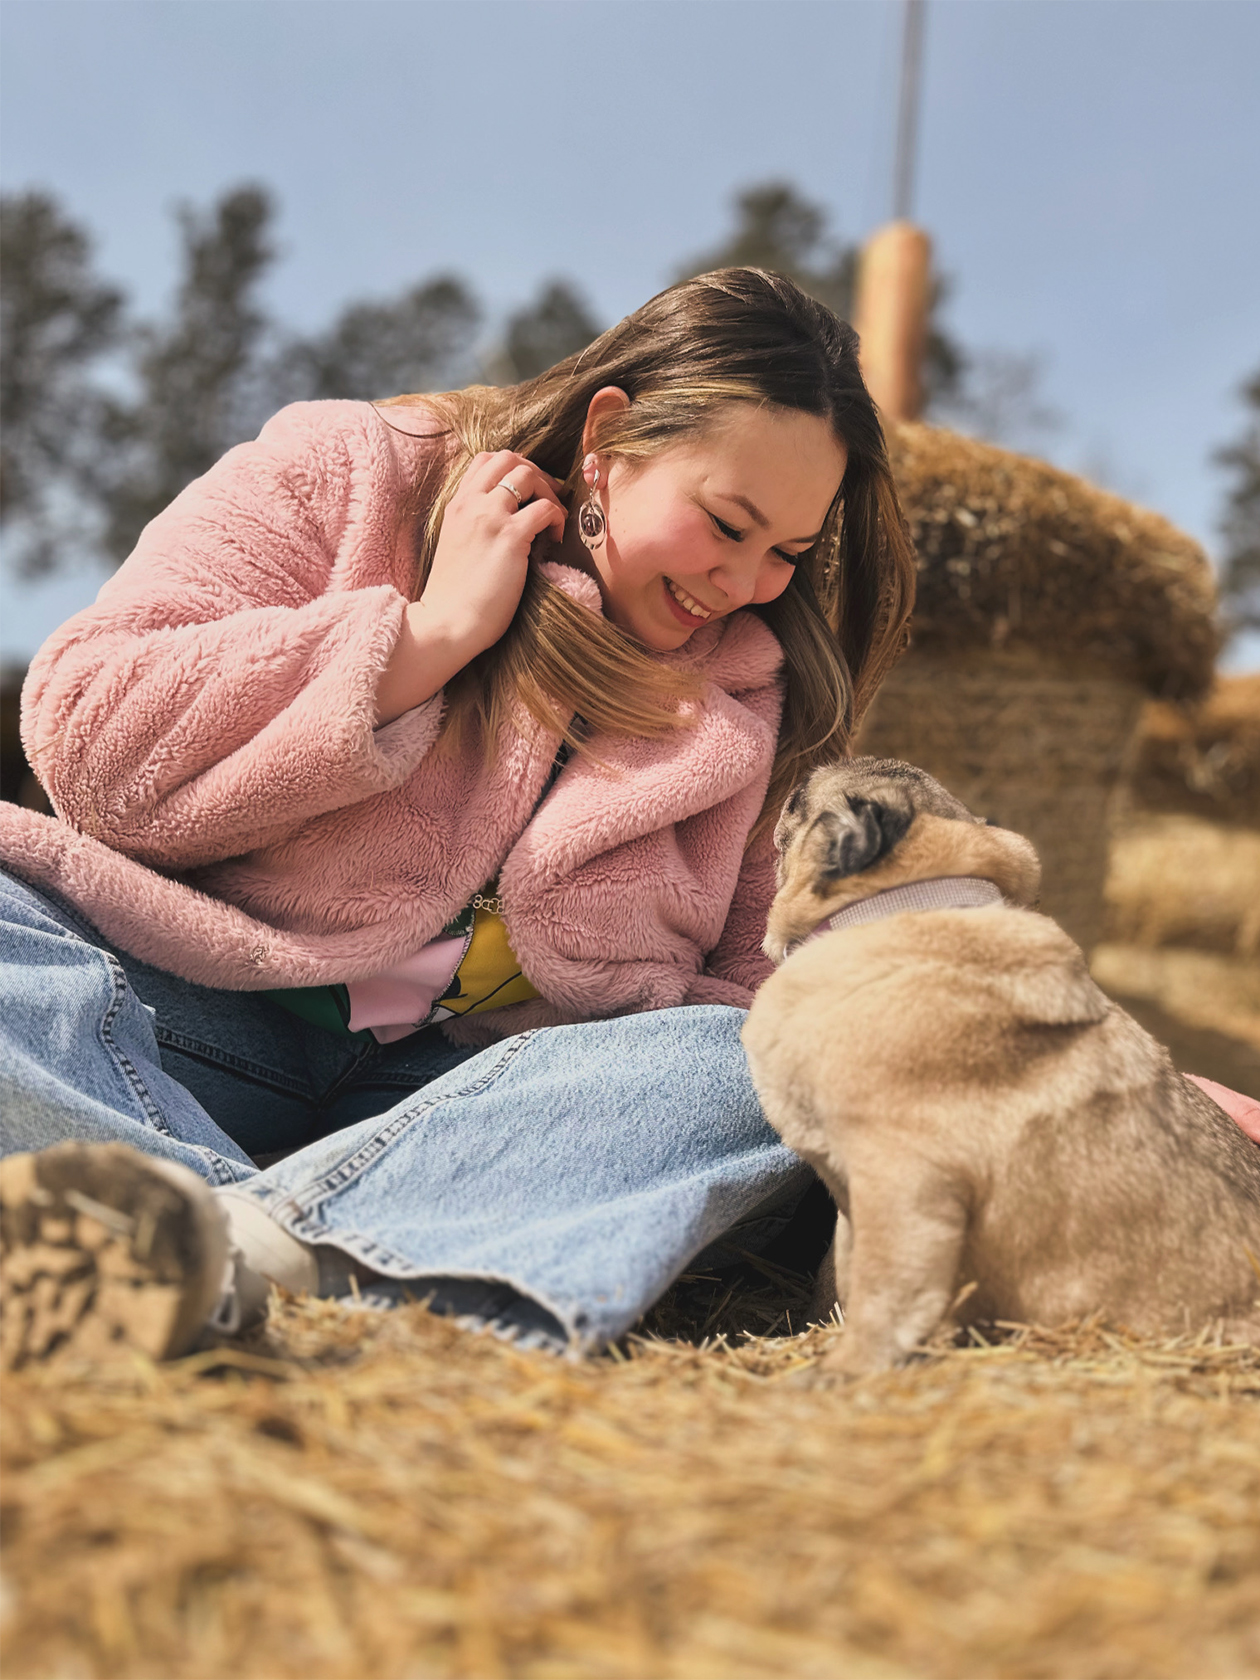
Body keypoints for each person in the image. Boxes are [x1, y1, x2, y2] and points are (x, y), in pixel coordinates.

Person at [0, 268, 916, 1367]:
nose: (747, 583)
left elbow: (789, 985)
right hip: (170, 1019)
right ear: (610, 439)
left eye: (788, 554)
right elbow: (88, 733)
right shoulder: (349, 469)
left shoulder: (768, 697)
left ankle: (214, 1249)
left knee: (749, 1063)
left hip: (475, 1109)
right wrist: (422, 643)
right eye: (727, 523)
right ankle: (329, 1254)